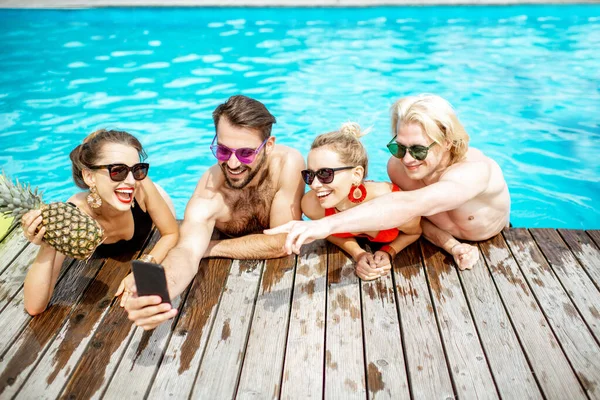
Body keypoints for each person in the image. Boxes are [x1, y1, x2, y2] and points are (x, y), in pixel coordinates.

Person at [267, 94, 511, 270]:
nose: (406, 159)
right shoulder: (399, 167)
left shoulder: (473, 171)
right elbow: (417, 219)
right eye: (398, 147)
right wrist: (453, 246)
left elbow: (411, 204)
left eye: (417, 150)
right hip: (436, 240)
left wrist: (323, 225)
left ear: (447, 141)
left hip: (497, 245)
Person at [124, 95, 305, 330]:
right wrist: (159, 294)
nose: (232, 164)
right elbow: (187, 252)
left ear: (268, 146)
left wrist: (208, 249)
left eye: (245, 153)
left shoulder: (288, 164)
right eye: (222, 150)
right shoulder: (210, 192)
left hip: (278, 299)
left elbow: (283, 240)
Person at [20, 129, 179, 316]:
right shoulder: (73, 218)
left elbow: (171, 233)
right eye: (118, 171)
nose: (131, 181)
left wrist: (143, 268)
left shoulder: (142, 187)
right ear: (89, 177)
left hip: (151, 207)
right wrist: (48, 245)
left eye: (137, 170)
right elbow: (34, 307)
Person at [301, 122, 421, 280]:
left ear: (356, 175)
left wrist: (389, 251)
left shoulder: (391, 202)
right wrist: (358, 253)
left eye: (325, 174)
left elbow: (415, 232)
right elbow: (328, 232)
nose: (314, 185)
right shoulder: (312, 205)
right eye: (309, 175)